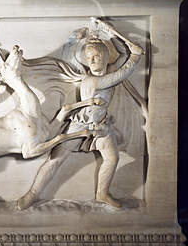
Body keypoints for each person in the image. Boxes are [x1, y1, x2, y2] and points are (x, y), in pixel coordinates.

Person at [17, 23, 145, 210]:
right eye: (89, 57)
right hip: (80, 125)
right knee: (55, 160)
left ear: (105, 57)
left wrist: (113, 36)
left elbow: (123, 57)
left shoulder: (108, 71)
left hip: (102, 125)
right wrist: (135, 57)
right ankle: (32, 194)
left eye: (96, 57)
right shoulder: (92, 81)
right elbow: (123, 71)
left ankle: (102, 193)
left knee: (112, 157)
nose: (92, 61)